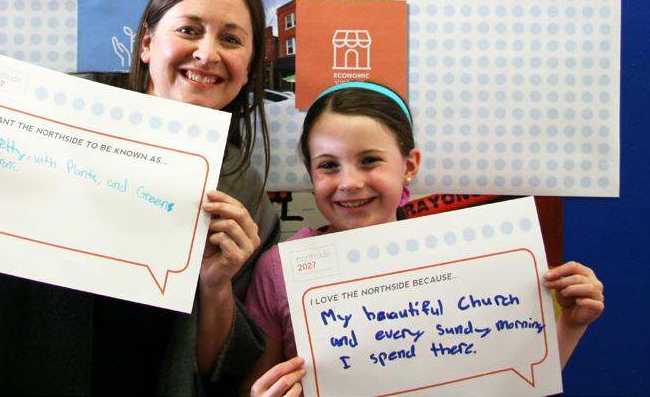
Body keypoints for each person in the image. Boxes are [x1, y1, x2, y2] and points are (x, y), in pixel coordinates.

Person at [0, 0, 280, 396]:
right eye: (189, 30)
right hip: (2, 373)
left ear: (249, 66)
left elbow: (214, 370)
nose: (207, 53)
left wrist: (214, 287)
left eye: (231, 39)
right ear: (147, 44)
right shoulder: (55, 113)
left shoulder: (240, 188)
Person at [243, 82, 605, 397]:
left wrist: (572, 324)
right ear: (310, 172)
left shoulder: (466, 256)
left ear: (410, 165)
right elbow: (256, 383)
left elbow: (516, 382)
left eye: (369, 160)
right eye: (328, 165)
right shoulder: (279, 268)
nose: (349, 182)